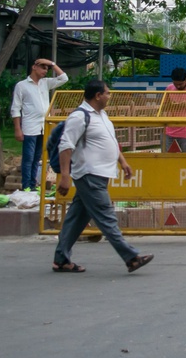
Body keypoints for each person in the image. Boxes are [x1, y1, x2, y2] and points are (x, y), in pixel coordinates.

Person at [51, 78, 151, 274]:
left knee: (77, 217)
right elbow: (66, 145)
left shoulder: (102, 116)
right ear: (98, 96)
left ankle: (61, 259)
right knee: (106, 216)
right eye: (107, 93)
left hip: (100, 174)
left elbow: (111, 142)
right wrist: (65, 175)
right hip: (89, 174)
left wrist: (122, 162)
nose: (109, 96)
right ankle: (131, 257)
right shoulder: (79, 117)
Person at [11, 56, 66, 190]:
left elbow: (64, 78)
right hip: (30, 127)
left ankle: (33, 185)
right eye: (42, 67)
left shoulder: (45, 83)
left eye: (47, 68)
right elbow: (15, 108)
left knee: (37, 158)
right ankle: (26, 186)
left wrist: (52, 64)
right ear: (34, 67)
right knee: (28, 158)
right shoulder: (22, 85)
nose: (45, 71)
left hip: (43, 126)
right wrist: (18, 129)